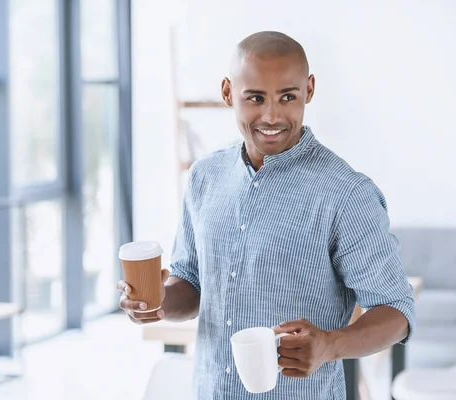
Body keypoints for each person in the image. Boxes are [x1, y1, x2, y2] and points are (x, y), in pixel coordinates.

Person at [117, 30, 415, 399]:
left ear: (309, 89)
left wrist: (329, 345)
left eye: (287, 97)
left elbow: (397, 312)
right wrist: (158, 299)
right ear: (228, 93)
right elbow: (192, 285)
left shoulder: (345, 194)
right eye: (255, 98)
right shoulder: (204, 178)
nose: (272, 116)